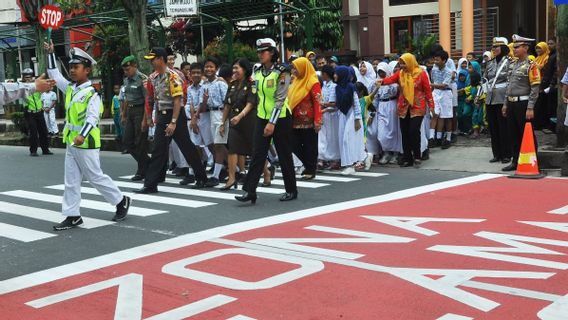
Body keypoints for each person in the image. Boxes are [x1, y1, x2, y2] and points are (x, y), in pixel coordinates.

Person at [45, 42, 131, 230]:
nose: (72, 70)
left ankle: (121, 200)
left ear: (87, 70)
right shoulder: (70, 88)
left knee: (95, 176)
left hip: (86, 143)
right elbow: (54, 74)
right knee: (71, 180)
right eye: (71, 67)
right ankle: (72, 215)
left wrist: (82, 136)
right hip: (71, 142)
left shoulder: (92, 93)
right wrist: (50, 53)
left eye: (76, 67)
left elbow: (93, 118)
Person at [136, 47, 209, 193]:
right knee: (158, 150)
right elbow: (150, 99)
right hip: (162, 116)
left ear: (161, 59)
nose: (152, 63)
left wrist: (173, 122)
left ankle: (201, 177)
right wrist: (149, 117)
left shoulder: (172, 77)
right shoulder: (153, 77)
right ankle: (151, 184)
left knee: (186, 147)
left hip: (175, 115)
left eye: (153, 59)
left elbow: (177, 100)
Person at [236, 38, 297, 204]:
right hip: (262, 117)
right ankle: (250, 191)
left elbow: (280, 99)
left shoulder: (282, 71)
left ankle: (291, 189)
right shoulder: (257, 70)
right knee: (257, 154)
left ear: (272, 52)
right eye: (259, 51)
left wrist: (272, 122)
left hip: (280, 118)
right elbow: (256, 94)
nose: (260, 54)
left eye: (263, 51)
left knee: (284, 155)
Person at [380, 53, 434, 167]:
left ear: (410, 62)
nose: (402, 65)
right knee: (404, 133)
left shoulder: (421, 73)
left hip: (418, 106)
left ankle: (417, 156)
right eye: (400, 63)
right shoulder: (400, 74)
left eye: (404, 63)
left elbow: (428, 91)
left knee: (414, 131)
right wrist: (381, 82)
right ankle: (407, 159)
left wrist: (432, 106)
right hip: (403, 107)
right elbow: (389, 80)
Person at [501, 35, 541, 172]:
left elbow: (535, 88)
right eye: (514, 46)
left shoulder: (532, 65)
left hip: (523, 104)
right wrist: (505, 104)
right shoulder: (513, 64)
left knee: (527, 133)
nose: (514, 49)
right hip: (512, 103)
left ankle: (533, 161)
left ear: (526, 48)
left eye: (517, 46)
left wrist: (530, 107)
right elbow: (509, 86)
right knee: (513, 134)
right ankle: (515, 160)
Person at [219, 58, 257, 190]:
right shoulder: (233, 84)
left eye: (237, 68)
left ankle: (267, 172)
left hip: (248, 120)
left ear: (245, 70)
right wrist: (223, 122)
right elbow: (227, 104)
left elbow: (250, 104)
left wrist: (240, 116)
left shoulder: (252, 84)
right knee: (233, 148)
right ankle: (231, 178)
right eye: (233, 68)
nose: (234, 71)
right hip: (234, 121)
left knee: (255, 149)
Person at [288, 57, 323, 180]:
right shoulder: (296, 81)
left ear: (303, 67)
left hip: (309, 121)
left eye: (295, 68)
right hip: (294, 120)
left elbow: (318, 102)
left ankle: (310, 169)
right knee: (293, 144)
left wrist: (318, 120)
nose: (293, 70)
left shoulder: (313, 82)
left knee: (310, 146)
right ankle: (309, 165)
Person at [198, 57, 229, 187]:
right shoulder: (203, 85)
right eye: (206, 66)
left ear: (216, 69)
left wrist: (223, 120)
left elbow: (227, 102)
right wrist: (204, 100)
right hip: (211, 114)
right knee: (214, 144)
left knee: (218, 145)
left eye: (211, 66)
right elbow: (203, 107)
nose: (208, 69)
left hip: (221, 113)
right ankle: (236, 170)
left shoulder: (220, 83)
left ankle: (216, 175)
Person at [120, 55, 150, 181]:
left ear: (134, 66)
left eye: (128, 69)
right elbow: (126, 97)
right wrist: (124, 114)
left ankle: (141, 170)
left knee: (140, 142)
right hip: (131, 111)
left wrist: (145, 119)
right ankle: (149, 163)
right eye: (125, 70)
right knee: (127, 141)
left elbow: (147, 100)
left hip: (140, 110)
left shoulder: (142, 79)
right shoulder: (126, 80)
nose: (126, 72)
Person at [484, 37, 512, 164]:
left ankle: (506, 154)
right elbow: (485, 79)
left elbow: (510, 81)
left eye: (496, 47)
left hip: (502, 98)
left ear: (503, 48)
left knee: (504, 127)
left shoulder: (509, 62)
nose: (494, 49)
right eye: (493, 47)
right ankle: (497, 153)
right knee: (493, 127)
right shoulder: (490, 63)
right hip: (490, 98)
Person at [334, 66, 366, 175]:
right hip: (342, 115)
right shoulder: (337, 87)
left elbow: (356, 103)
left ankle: (350, 166)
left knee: (347, 140)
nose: (334, 76)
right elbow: (337, 103)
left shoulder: (351, 87)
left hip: (352, 115)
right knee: (344, 140)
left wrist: (357, 119)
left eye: (336, 73)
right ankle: (365, 157)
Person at [374, 62, 402, 165]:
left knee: (394, 130)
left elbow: (395, 92)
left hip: (392, 105)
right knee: (381, 133)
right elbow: (375, 97)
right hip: (381, 106)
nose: (381, 74)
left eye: (383, 71)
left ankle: (395, 153)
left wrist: (388, 82)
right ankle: (386, 152)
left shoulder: (394, 82)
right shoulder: (376, 82)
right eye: (379, 72)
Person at [21, 68, 52, 156]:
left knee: (43, 131)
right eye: (26, 77)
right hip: (29, 113)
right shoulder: (22, 88)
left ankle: (45, 149)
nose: (28, 79)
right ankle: (33, 151)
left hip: (39, 111)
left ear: (32, 77)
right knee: (33, 132)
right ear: (23, 78)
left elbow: (44, 89)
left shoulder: (36, 86)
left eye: (29, 77)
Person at [429, 50, 454, 149]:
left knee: (447, 117)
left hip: (446, 94)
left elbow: (444, 85)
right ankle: (431, 138)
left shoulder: (448, 72)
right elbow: (433, 81)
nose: (435, 61)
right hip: (435, 92)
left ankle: (448, 139)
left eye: (437, 60)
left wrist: (431, 85)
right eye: (434, 59)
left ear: (444, 61)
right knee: (434, 114)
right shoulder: (433, 70)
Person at [318, 65, 340, 170]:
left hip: (331, 115)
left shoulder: (333, 86)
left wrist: (321, 103)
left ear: (326, 74)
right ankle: (322, 159)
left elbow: (333, 103)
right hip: (324, 114)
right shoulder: (324, 85)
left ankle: (335, 159)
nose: (321, 75)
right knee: (323, 137)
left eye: (322, 73)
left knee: (332, 137)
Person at [534, 41, 551, 131]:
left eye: (540, 48)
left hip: (543, 84)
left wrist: (535, 65)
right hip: (536, 83)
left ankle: (542, 124)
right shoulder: (537, 58)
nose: (538, 50)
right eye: (537, 48)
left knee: (541, 105)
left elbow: (543, 68)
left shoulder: (547, 57)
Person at [465, 71, 485, 138]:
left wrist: (477, 101)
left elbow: (479, 95)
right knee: (474, 117)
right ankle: (476, 131)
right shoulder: (472, 87)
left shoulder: (479, 87)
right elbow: (472, 94)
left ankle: (476, 132)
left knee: (477, 117)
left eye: (471, 79)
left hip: (479, 105)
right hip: (474, 105)